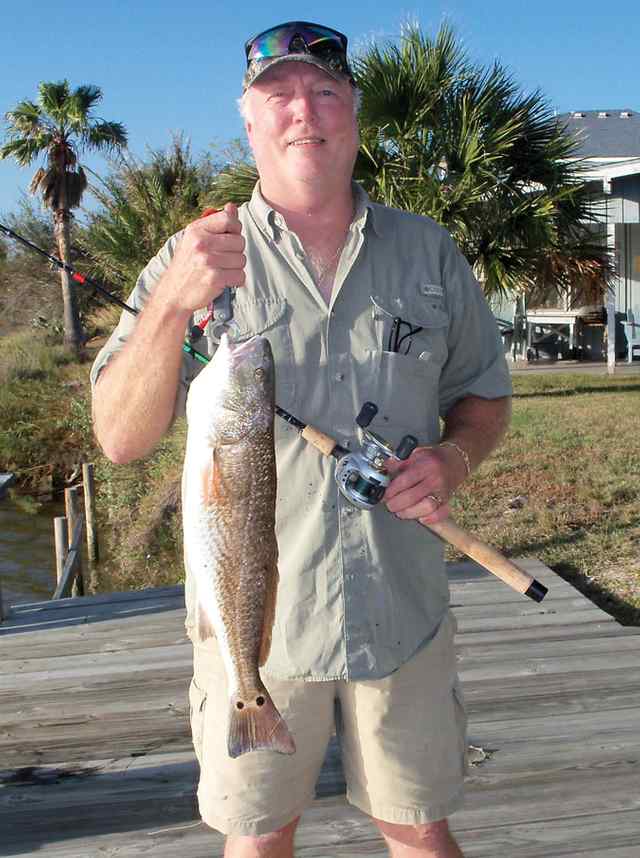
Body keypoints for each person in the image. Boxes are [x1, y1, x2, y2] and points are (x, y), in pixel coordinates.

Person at [91, 20, 512, 858]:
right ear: (247, 121)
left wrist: (452, 458)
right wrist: (173, 304)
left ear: (353, 115)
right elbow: (121, 439)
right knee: (257, 834)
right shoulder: (195, 256)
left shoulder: (429, 253)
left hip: (403, 612)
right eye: (277, 95)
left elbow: (485, 397)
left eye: (324, 93)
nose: (302, 112)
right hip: (256, 629)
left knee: (420, 827)